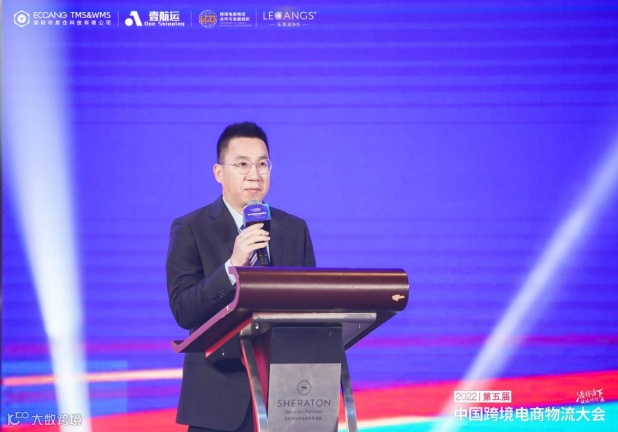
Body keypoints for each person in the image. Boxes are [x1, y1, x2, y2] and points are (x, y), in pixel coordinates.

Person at [166, 121, 316, 431]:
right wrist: (232, 267)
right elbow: (184, 309)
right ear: (219, 173)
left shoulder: (294, 229)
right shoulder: (191, 228)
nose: (255, 174)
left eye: (262, 164)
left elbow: (310, 308)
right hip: (217, 402)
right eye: (242, 164)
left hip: (287, 399)